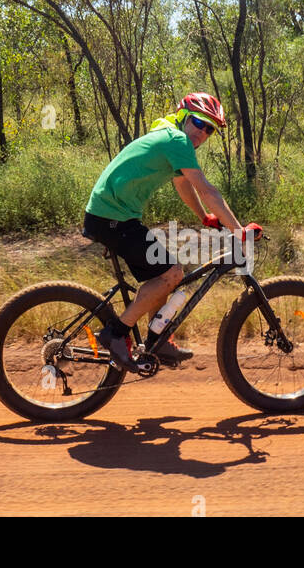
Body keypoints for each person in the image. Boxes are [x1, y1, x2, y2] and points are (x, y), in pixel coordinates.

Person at [82, 92, 262, 373]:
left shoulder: (168, 136)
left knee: (161, 273)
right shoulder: (177, 140)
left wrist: (204, 216)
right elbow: (207, 189)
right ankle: (116, 333)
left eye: (209, 129)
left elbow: (183, 184)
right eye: (198, 123)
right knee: (172, 274)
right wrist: (238, 231)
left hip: (110, 216)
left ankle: (157, 340)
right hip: (112, 218)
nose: (202, 133)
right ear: (183, 117)